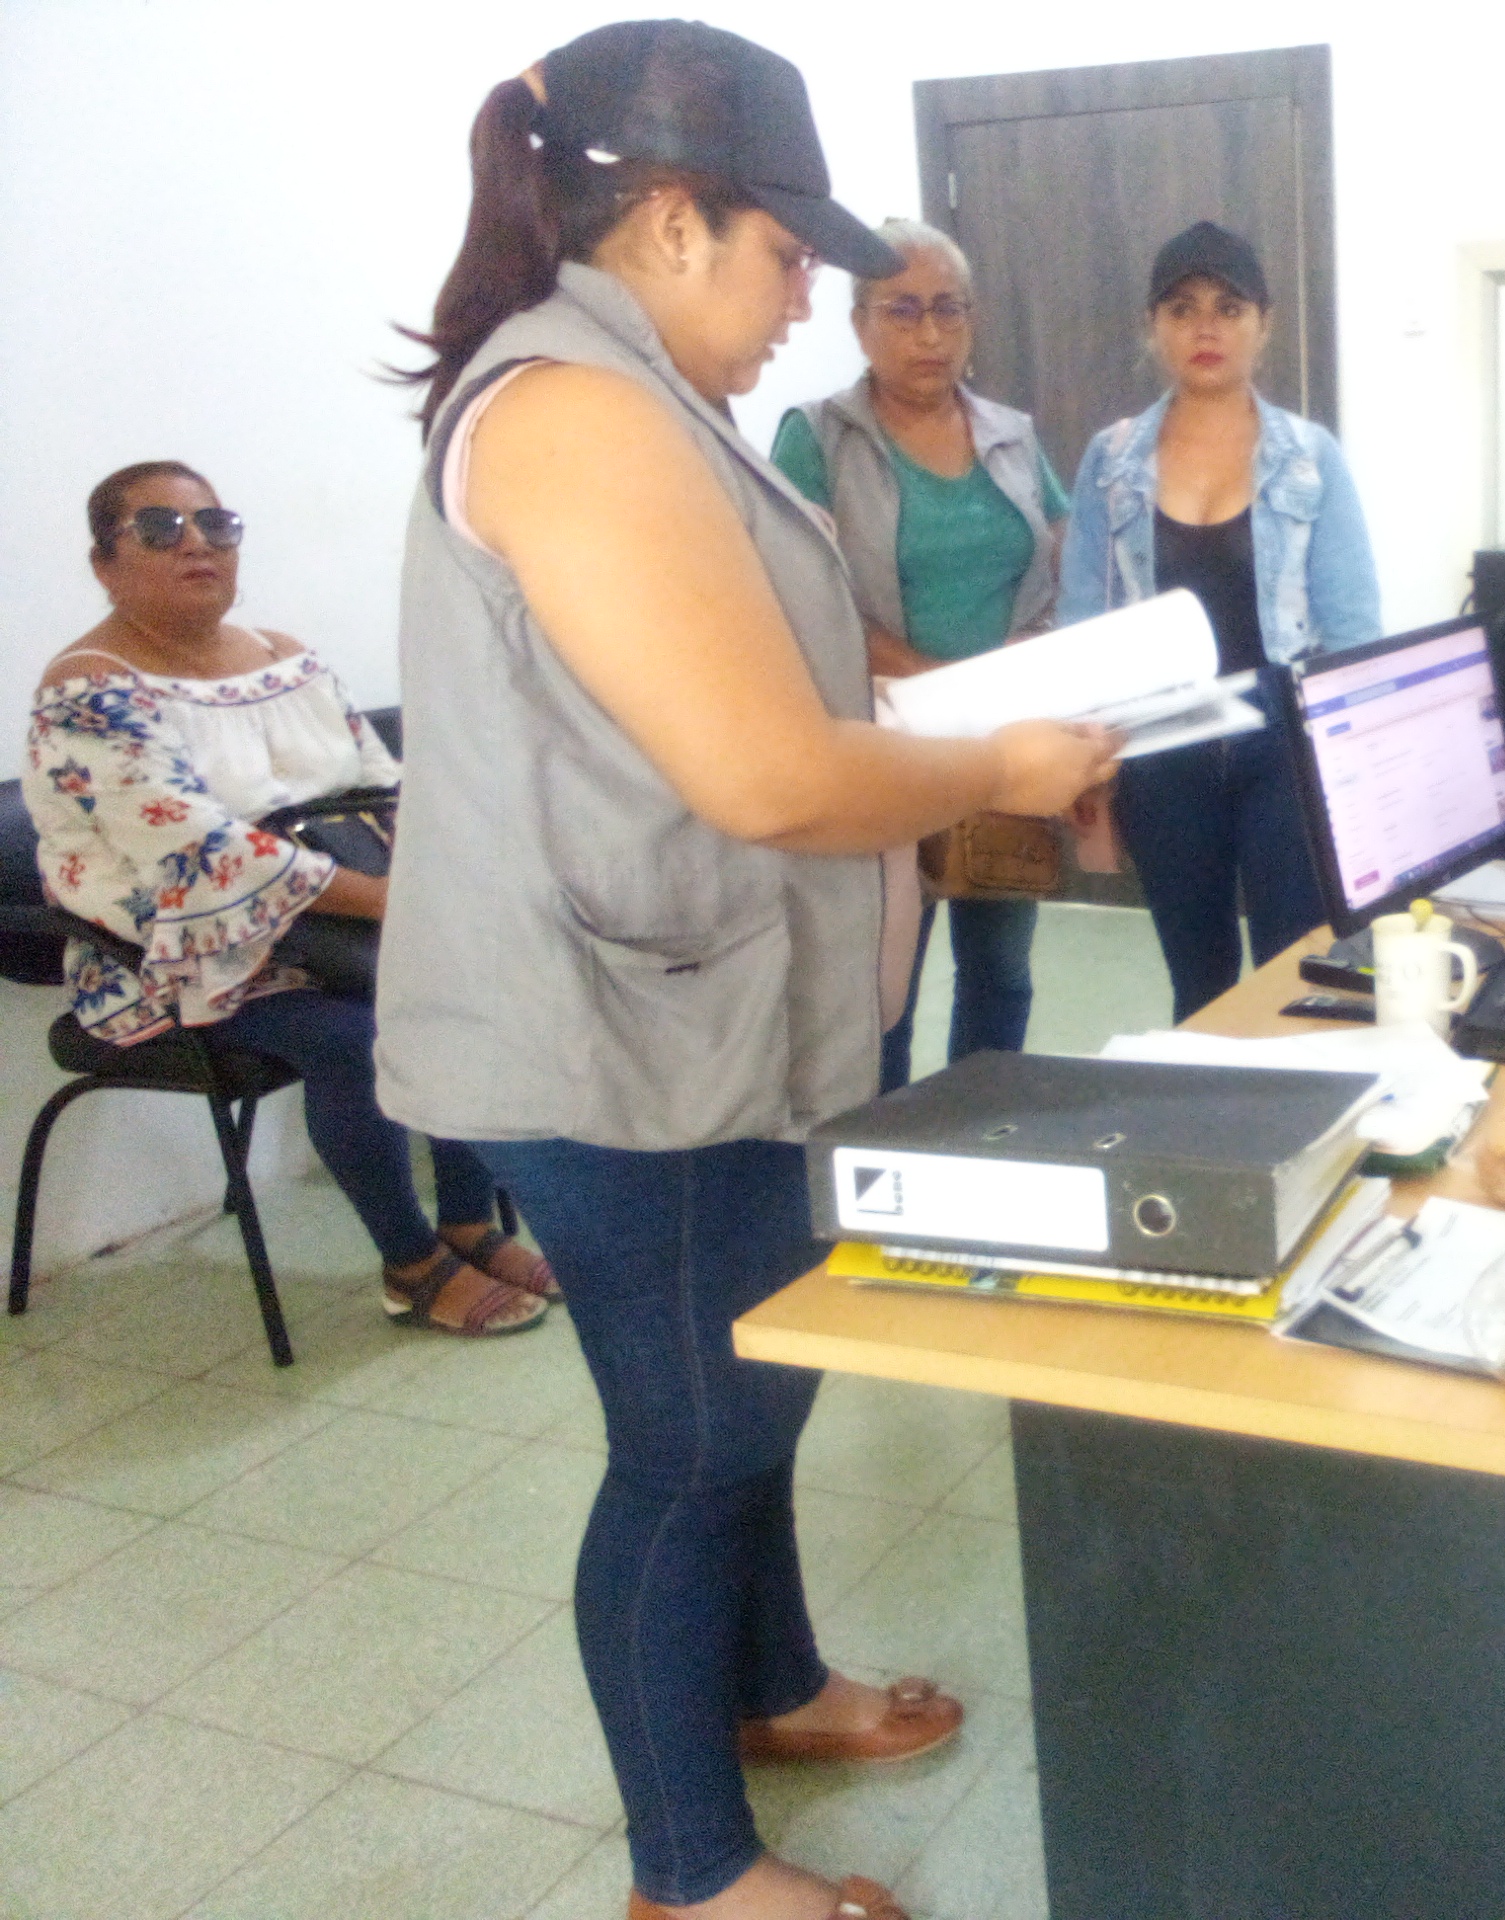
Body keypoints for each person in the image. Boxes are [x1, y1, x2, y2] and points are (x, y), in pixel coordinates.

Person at [378, 23, 1114, 1920]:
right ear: (674, 220)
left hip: (716, 1015)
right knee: (690, 1449)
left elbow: (766, 702)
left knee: (752, 1395)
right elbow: (770, 773)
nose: (808, 300)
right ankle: (690, 1876)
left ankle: (774, 1687)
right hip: (617, 1046)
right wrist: (1001, 768)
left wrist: (974, 730)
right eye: (789, 255)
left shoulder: (647, 398)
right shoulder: (570, 410)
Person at [27, 461, 550, 1336]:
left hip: (341, 931)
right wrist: (391, 902)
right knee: (360, 1038)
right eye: (159, 528)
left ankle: (465, 1224)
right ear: (103, 564)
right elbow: (199, 850)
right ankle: (410, 1265)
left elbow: (387, 784)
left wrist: (441, 870)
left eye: (215, 525)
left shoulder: (284, 658)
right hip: (176, 960)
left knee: (465, 992)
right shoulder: (87, 692)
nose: (196, 544)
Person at [771, 219, 1070, 1089]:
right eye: (902, 311)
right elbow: (805, 602)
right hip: (880, 745)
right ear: (860, 323)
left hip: (999, 745)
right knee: (882, 984)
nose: (930, 333)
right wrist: (937, 684)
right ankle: (885, 1138)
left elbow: (1062, 557)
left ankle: (984, 1128)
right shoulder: (815, 439)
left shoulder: (1011, 435)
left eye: (949, 309)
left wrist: (1036, 657)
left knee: (1002, 971)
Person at [1059, 220, 1380, 1021]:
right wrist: (1083, 756)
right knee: (1197, 982)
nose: (1206, 328)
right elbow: (1083, 623)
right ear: (1153, 325)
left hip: (1285, 742)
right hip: (1162, 745)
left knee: (1294, 973)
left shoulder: (1310, 458)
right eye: (1182, 309)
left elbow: (1352, 632)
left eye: (1229, 309)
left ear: (1263, 324)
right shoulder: (1111, 461)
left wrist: (1356, 765)